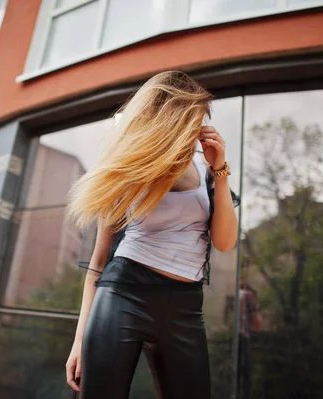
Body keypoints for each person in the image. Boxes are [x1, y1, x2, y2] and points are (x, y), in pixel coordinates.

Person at [65, 71, 239, 398]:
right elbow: (99, 262)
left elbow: (225, 242)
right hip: (123, 297)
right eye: (191, 123)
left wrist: (221, 170)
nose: (196, 133)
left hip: (186, 308)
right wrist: (80, 340)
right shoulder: (129, 172)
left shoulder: (208, 171)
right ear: (170, 124)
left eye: (201, 122)